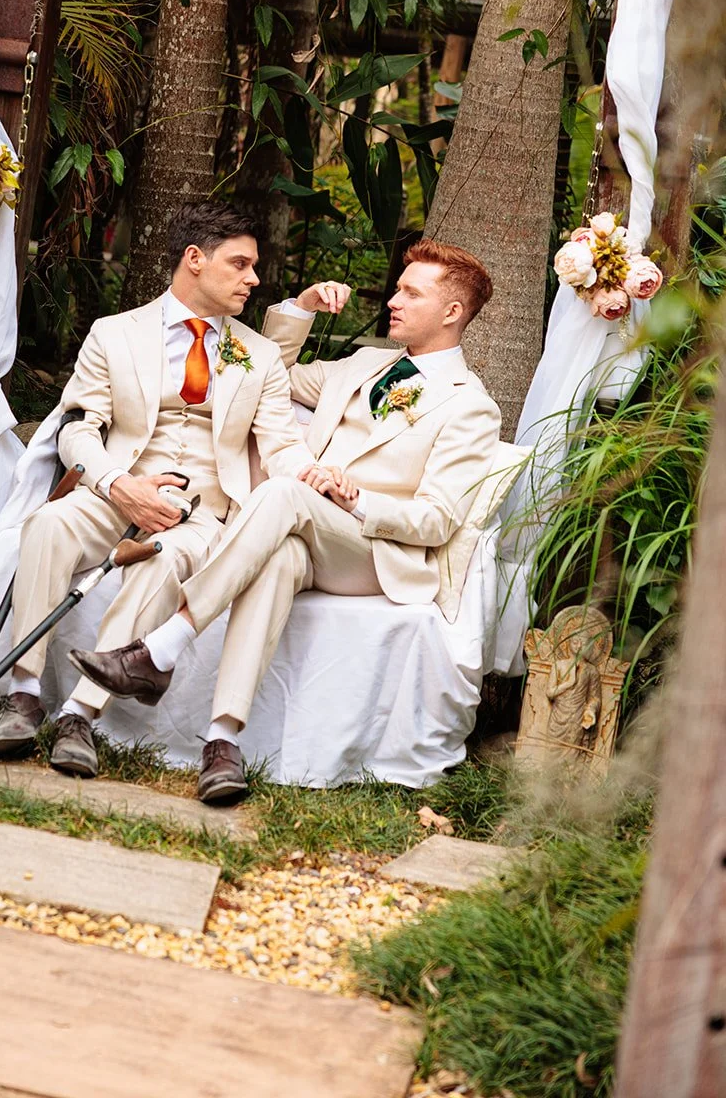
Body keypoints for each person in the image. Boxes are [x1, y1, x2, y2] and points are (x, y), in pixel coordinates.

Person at [70, 239, 502, 804]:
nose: (393, 299)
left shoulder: (471, 405)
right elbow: (263, 368)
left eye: (410, 292)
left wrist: (356, 501)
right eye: (397, 287)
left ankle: (162, 647)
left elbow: (438, 520)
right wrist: (301, 306)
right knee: (279, 557)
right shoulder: (365, 365)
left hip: (373, 552)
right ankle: (223, 743)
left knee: (282, 493)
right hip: (304, 535)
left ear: (452, 312)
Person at [0, 201, 312, 777]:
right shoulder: (114, 333)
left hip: (204, 513)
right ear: (194, 260)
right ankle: (23, 695)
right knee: (48, 524)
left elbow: (281, 447)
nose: (253, 279)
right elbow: (78, 428)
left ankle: (80, 716)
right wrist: (118, 485)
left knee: (164, 562)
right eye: (240, 264)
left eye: (252, 267)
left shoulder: (259, 356)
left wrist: (313, 479)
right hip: (117, 488)